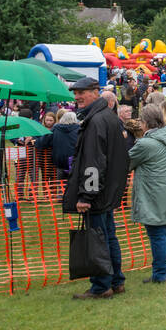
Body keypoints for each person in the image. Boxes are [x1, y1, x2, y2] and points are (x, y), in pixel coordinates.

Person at [62, 77, 130, 298]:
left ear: (95, 92)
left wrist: (86, 196)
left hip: (98, 194)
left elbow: (93, 163)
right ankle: (116, 280)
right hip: (107, 192)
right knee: (109, 236)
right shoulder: (107, 117)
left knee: (98, 239)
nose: (77, 97)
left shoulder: (97, 121)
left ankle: (102, 286)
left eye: (81, 92)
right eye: (75, 93)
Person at [128, 103, 166, 284]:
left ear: (145, 122)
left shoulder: (146, 144)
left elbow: (126, 162)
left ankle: (160, 274)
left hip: (153, 194)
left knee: (157, 235)